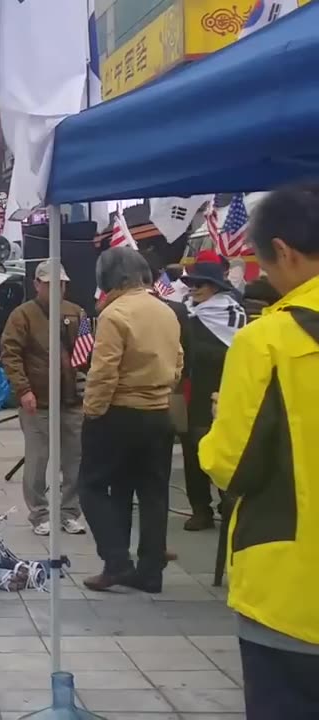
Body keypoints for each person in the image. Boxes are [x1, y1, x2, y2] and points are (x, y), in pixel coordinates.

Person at [200, 183, 319, 717]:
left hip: (293, 590)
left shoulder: (266, 341)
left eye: (263, 262)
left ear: (287, 252)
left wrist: (220, 418)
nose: (262, 275)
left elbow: (231, 463)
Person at [78, 247, 183, 593]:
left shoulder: (114, 314)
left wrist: (93, 411)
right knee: (152, 493)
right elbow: (178, 361)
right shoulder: (165, 311)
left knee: (92, 486)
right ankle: (150, 571)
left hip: (119, 411)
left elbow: (103, 371)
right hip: (158, 412)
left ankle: (116, 560)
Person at [1, 261, 88, 536]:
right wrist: (23, 389)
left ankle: (69, 512)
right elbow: (10, 354)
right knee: (38, 460)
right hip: (37, 400)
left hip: (72, 398)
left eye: (60, 284)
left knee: (75, 459)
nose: (55, 289)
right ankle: (39, 513)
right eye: (49, 284)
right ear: (37, 284)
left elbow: (88, 351)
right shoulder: (22, 315)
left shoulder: (77, 313)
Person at [177, 256, 243, 532]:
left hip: (223, 393)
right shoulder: (187, 314)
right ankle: (200, 509)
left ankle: (228, 505)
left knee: (222, 453)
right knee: (192, 454)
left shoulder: (235, 313)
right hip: (192, 394)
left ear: (216, 286)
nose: (193, 288)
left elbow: (237, 355)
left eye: (200, 284)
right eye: (191, 284)